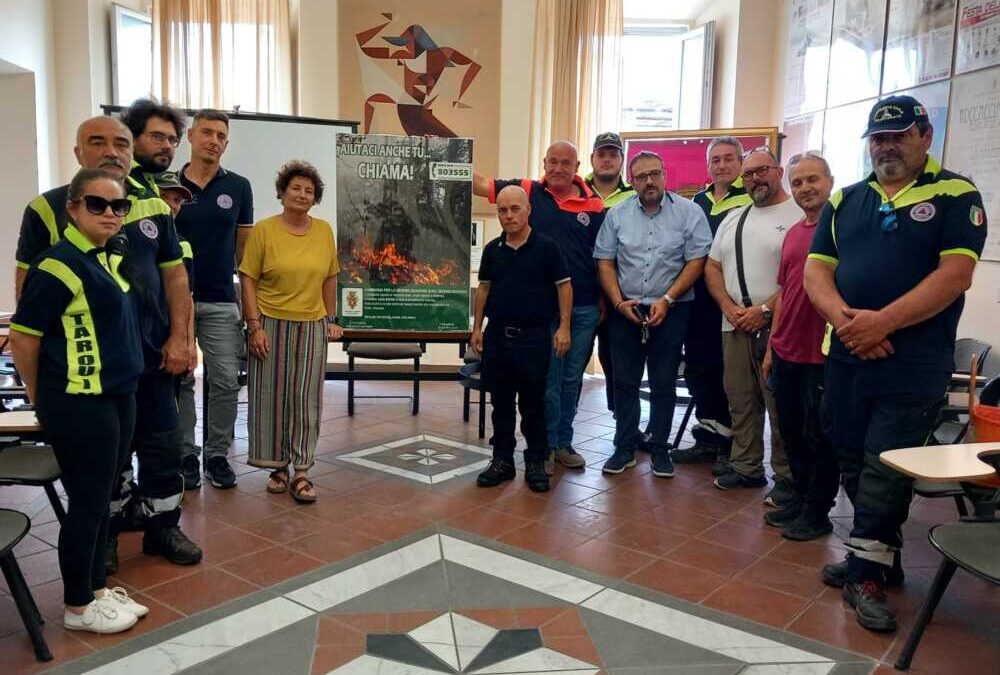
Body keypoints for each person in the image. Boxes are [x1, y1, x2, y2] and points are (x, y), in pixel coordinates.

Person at [805, 96, 987, 632]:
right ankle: (880, 553)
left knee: (886, 465)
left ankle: (866, 571)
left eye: (899, 135)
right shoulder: (847, 199)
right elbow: (818, 273)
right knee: (848, 451)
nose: (887, 146)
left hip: (913, 363)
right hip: (847, 354)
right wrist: (849, 324)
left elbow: (955, 275)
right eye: (879, 138)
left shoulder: (956, 193)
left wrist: (882, 323)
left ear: (924, 137)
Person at [13, 116, 200, 573]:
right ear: (78, 153)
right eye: (97, 142)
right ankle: (107, 533)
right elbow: (27, 295)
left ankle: (162, 528)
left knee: (162, 447)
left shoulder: (152, 207)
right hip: (88, 370)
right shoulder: (47, 210)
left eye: (120, 143)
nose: (112, 151)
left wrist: (181, 337)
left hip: (153, 358)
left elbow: (175, 276)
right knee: (106, 459)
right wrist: (41, 391)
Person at [10, 169, 149, 634]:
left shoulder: (108, 258)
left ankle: (96, 588)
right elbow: (25, 338)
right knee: (88, 501)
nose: (110, 213)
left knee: (104, 495)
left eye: (119, 206)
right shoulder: (58, 265)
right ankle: (76, 605)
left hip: (117, 394)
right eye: (97, 204)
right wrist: (37, 396)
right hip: (78, 401)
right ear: (72, 208)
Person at [473, 142, 605, 473]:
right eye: (553, 162)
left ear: (578, 166)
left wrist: (604, 301)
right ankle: (543, 448)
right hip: (547, 310)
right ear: (544, 163)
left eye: (567, 163)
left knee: (571, 379)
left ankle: (562, 443)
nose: (559, 168)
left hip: (586, 306)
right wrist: (442, 157)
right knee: (547, 380)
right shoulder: (529, 191)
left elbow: (604, 257)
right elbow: (479, 184)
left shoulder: (595, 204)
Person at [595, 151, 713, 477]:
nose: (649, 181)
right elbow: (604, 261)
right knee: (625, 382)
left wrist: (668, 298)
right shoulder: (617, 215)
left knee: (663, 383)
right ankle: (624, 447)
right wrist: (618, 302)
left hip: (671, 310)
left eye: (655, 174)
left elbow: (697, 261)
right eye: (641, 176)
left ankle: (661, 449)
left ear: (664, 175)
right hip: (626, 310)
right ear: (631, 181)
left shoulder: (689, 213)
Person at [238, 161, 343, 503]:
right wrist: (254, 327)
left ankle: (301, 471)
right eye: (295, 188)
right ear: (282, 193)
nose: (302, 194)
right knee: (270, 398)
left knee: (305, 400)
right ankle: (277, 467)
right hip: (269, 323)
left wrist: (331, 318)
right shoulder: (264, 231)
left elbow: (330, 276)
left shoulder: (324, 231)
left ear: (315, 198)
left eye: (309, 191)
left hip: (311, 325)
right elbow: (248, 279)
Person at [704, 147, 798, 503]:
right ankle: (746, 466)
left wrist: (765, 310)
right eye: (748, 174)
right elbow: (712, 266)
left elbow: (801, 275)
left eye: (762, 171)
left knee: (779, 403)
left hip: (777, 326)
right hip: (735, 324)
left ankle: (788, 477)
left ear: (778, 171)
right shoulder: (734, 217)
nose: (755, 179)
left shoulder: (797, 215)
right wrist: (729, 307)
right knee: (741, 399)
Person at [471, 185, 572, 493]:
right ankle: (502, 461)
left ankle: (536, 462)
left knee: (533, 405)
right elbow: (484, 289)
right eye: (502, 210)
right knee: (500, 403)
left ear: (528, 210)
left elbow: (564, 287)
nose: (509, 215)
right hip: (498, 338)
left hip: (533, 339)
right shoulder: (492, 250)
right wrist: (477, 328)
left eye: (515, 209)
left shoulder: (547, 248)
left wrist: (564, 327)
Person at [174, 109, 254, 490]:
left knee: (224, 380)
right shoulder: (167, 186)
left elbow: (244, 250)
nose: (214, 140)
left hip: (221, 299)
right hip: (175, 302)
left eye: (221, 135)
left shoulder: (238, 186)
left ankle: (217, 455)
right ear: (190, 136)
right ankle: (186, 454)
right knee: (181, 379)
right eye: (207, 132)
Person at [761, 151, 839, 541]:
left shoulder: (843, 230)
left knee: (818, 436)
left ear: (830, 181)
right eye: (798, 182)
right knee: (790, 430)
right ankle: (800, 497)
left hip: (822, 354)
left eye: (813, 180)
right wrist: (773, 347)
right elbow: (785, 292)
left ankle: (817, 511)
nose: (805, 188)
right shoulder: (794, 233)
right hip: (786, 348)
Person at [683, 137, 753, 472]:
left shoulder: (751, 198)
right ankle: (708, 437)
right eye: (716, 160)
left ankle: (734, 447)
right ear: (708, 165)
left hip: (733, 301)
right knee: (700, 369)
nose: (722, 165)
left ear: (740, 163)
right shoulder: (697, 201)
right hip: (698, 302)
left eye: (729, 159)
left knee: (733, 376)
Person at [585, 132, 635, 417]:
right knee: (572, 363)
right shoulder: (577, 190)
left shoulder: (634, 197)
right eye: (601, 154)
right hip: (579, 293)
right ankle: (561, 434)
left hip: (620, 293)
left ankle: (623, 423)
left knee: (617, 360)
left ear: (621, 160)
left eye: (612, 155)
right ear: (592, 158)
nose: (606, 159)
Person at [120, 97, 186, 196]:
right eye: (157, 137)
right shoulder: (118, 183)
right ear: (132, 138)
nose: (167, 146)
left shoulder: (150, 184)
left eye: (172, 140)